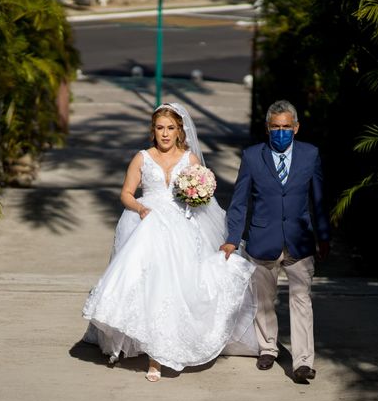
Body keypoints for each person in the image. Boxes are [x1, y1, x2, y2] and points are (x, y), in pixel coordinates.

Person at [82, 103, 258, 382]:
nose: (165, 134)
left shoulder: (190, 161)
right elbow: (126, 193)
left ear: (180, 131)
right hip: (147, 225)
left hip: (181, 228)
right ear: (153, 131)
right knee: (144, 287)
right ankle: (143, 350)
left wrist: (197, 198)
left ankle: (160, 353)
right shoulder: (142, 157)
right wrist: (140, 209)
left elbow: (205, 200)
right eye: (160, 128)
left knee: (174, 290)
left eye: (171, 128)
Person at [220, 100, 331, 384]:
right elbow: (239, 201)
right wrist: (233, 239)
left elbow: (318, 200)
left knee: (301, 299)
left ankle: (303, 361)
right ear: (268, 129)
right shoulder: (253, 156)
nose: (281, 133)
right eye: (275, 128)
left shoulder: (310, 155)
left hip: (300, 241)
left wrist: (323, 236)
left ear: (296, 128)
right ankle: (268, 347)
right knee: (264, 300)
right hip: (263, 239)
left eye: (286, 127)